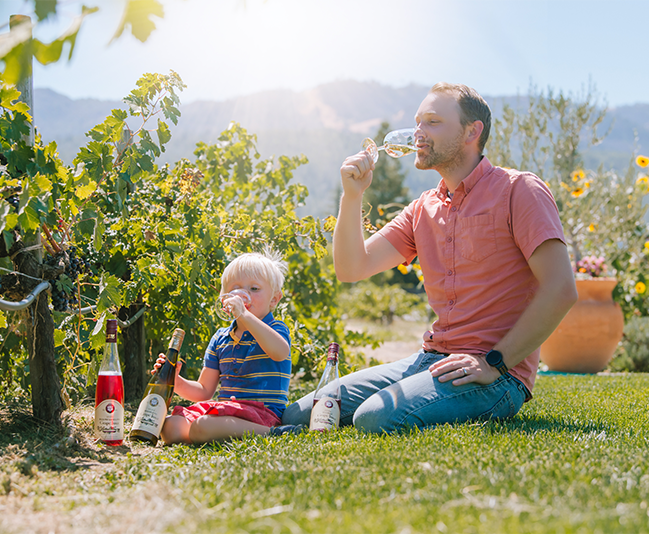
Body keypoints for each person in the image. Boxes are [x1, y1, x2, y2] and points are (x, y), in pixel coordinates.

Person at [282, 82, 578, 433]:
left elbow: (561, 289)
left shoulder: (519, 190)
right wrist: (352, 195)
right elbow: (352, 267)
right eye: (418, 122)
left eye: (433, 122)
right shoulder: (423, 208)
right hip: (430, 360)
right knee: (308, 411)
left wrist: (495, 363)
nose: (419, 133)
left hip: (495, 374)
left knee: (374, 417)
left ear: (472, 131)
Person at [156, 250, 299, 444]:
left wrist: (244, 316)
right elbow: (204, 391)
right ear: (225, 299)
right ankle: (209, 432)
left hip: (261, 414)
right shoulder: (220, 338)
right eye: (236, 289)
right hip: (227, 413)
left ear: (274, 299)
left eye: (254, 289)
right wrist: (175, 380)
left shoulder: (275, 329)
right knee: (170, 427)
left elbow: (280, 352)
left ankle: (275, 433)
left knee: (202, 425)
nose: (243, 295)